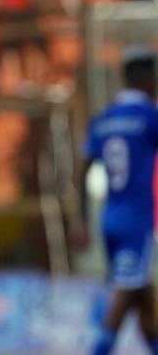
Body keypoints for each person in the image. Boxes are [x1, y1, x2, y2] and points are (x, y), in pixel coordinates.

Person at [77, 47, 158, 355]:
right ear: (149, 78)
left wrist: (81, 219)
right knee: (125, 296)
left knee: (143, 299)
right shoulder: (150, 117)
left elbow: (82, 169)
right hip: (137, 221)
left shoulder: (103, 120)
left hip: (109, 219)